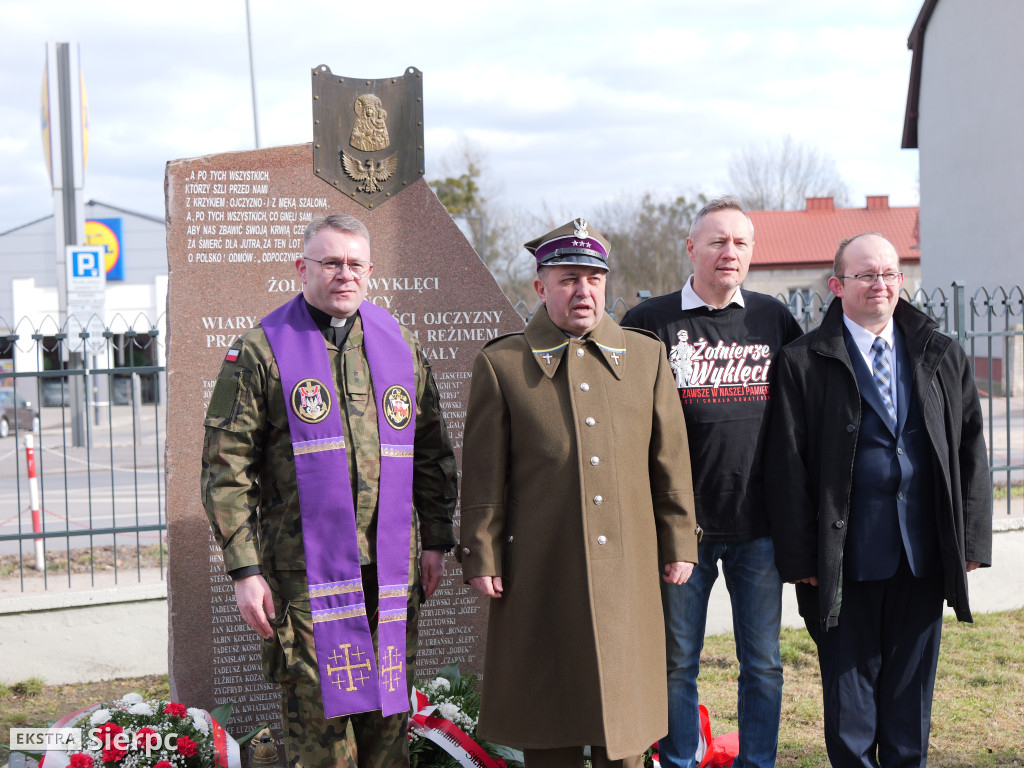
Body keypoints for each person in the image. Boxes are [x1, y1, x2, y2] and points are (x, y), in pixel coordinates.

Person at [201, 213, 457, 768]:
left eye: (355, 265)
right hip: (305, 579)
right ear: (303, 268)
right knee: (322, 733)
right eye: (331, 263)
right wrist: (245, 572)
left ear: (370, 272)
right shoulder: (261, 351)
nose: (345, 275)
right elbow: (226, 468)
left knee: (389, 723)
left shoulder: (399, 346)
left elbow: (433, 452)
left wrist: (435, 539)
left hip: (388, 573)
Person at [458, 218, 701, 768]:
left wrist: (680, 539)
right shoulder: (502, 365)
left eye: (593, 278)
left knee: (626, 722)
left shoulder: (646, 358)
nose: (583, 291)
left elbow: (670, 461)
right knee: (550, 717)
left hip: (629, 570)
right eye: (568, 279)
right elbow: (483, 475)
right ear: (540, 287)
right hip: (541, 569)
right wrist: (481, 551)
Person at [764, 232, 992, 767]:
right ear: (838, 285)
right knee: (850, 704)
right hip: (843, 560)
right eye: (866, 275)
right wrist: (801, 560)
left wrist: (972, 540)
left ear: (902, 282)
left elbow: (970, 451)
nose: (880, 285)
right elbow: (787, 466)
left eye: (889, 274)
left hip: (923, 554)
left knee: (910, 698)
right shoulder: (803, 361)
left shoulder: (941, 354)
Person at [620, 196, 802, 768]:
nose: (730, 252)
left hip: (759, 528)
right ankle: (678, 760)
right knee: (677, 662)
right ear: (691, 247)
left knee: (764, 662)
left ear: (752, 253)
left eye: (741, 243)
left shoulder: (774, 319)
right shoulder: (650, 323)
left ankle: (759, 762)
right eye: (717, 241)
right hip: (680, 530)